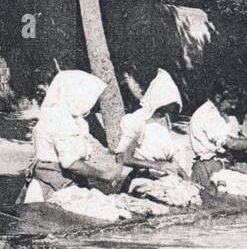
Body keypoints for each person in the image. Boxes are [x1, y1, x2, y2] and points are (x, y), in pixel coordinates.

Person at [21, 70, 124, 203]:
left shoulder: (59, 114)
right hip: (56, 185)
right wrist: (104, 175)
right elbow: (70, 162)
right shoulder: (61, 120)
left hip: (55, 180)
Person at [188, 81, 247, 189]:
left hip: (220, 164)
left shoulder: (220, 114)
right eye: (231, 103)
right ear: (218, 98)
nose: (233, 107)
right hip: (207, 167)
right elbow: (231, 143)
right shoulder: (206, 114)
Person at [114, 69, 192, 180]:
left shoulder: (165, 122)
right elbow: (122, 158)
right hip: (141, 177)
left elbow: (171, 160)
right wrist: (157, 165)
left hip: (163, 176)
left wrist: (186, 177)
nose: (165, 114)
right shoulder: (139, 120)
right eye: (163, 110)